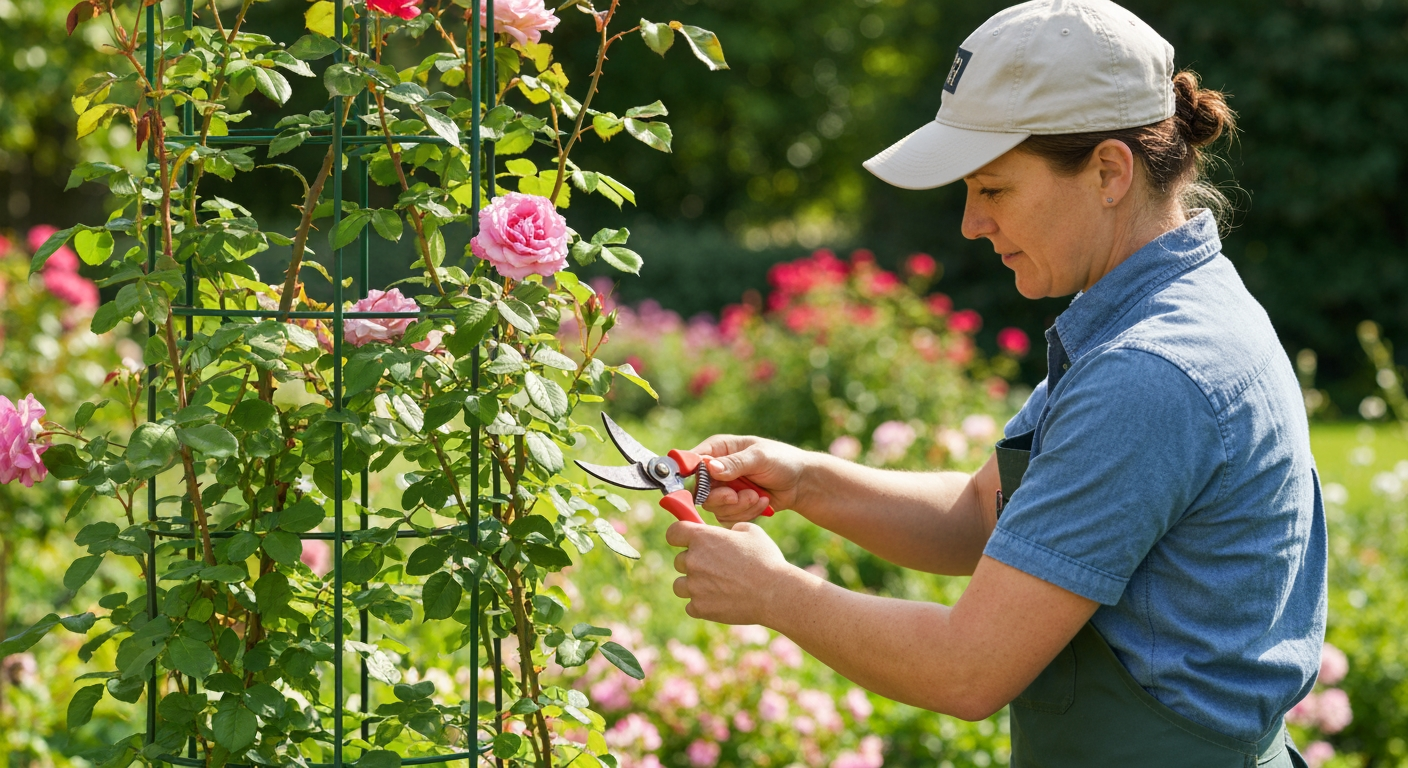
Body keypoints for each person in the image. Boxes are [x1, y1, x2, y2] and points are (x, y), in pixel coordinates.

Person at [663, 0, 1326, 765]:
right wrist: (807, 481)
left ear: (1109, 171)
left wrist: (776, 595)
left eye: (995, 189)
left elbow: (968, 669)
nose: (971, 223)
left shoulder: (1151, 371)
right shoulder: (1145, 312)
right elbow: (991, 513)